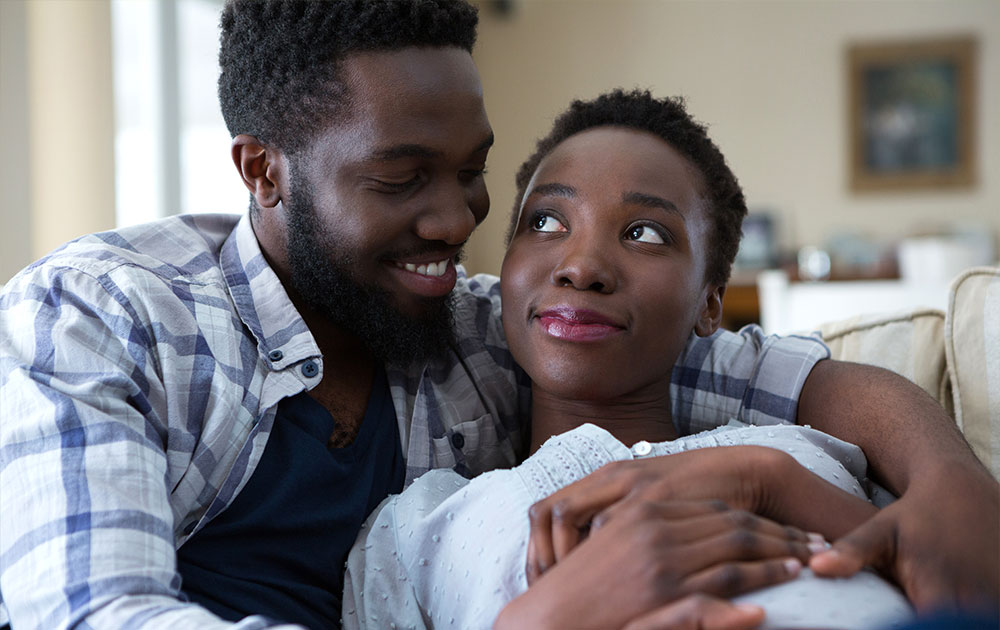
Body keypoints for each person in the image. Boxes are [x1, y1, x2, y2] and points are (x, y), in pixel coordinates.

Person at [0, 1, 995, 628]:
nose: (455, 219)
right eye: (403, 178)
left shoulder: (487, 326)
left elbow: (793, 376)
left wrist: (950, 481)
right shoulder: (104, 318)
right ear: (264, 171)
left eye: (475, 173)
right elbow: (99, 616)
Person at [341, 89, 915, 630]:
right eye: (545, 222)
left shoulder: (797, 452)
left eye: (644, 233)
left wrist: (769, 483)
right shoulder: (414, 529)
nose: (582, 265)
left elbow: (958, 583)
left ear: (710, 302)